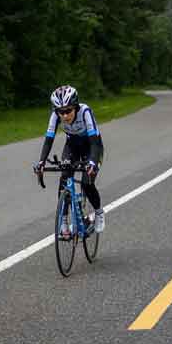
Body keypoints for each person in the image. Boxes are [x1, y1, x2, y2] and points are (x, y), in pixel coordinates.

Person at [33, 85, 105, 236]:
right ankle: (64, 221)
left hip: (91, 147)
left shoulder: (85, 112)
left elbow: (95, 142)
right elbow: (48, 140)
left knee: (87, 182)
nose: (64, 116)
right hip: (72, 146)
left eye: (68, 111)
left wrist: (92, 161)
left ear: (76, 106)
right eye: (61, 112)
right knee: (65, 177)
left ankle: (99, 213)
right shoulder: (55, 115)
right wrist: (41, 162)